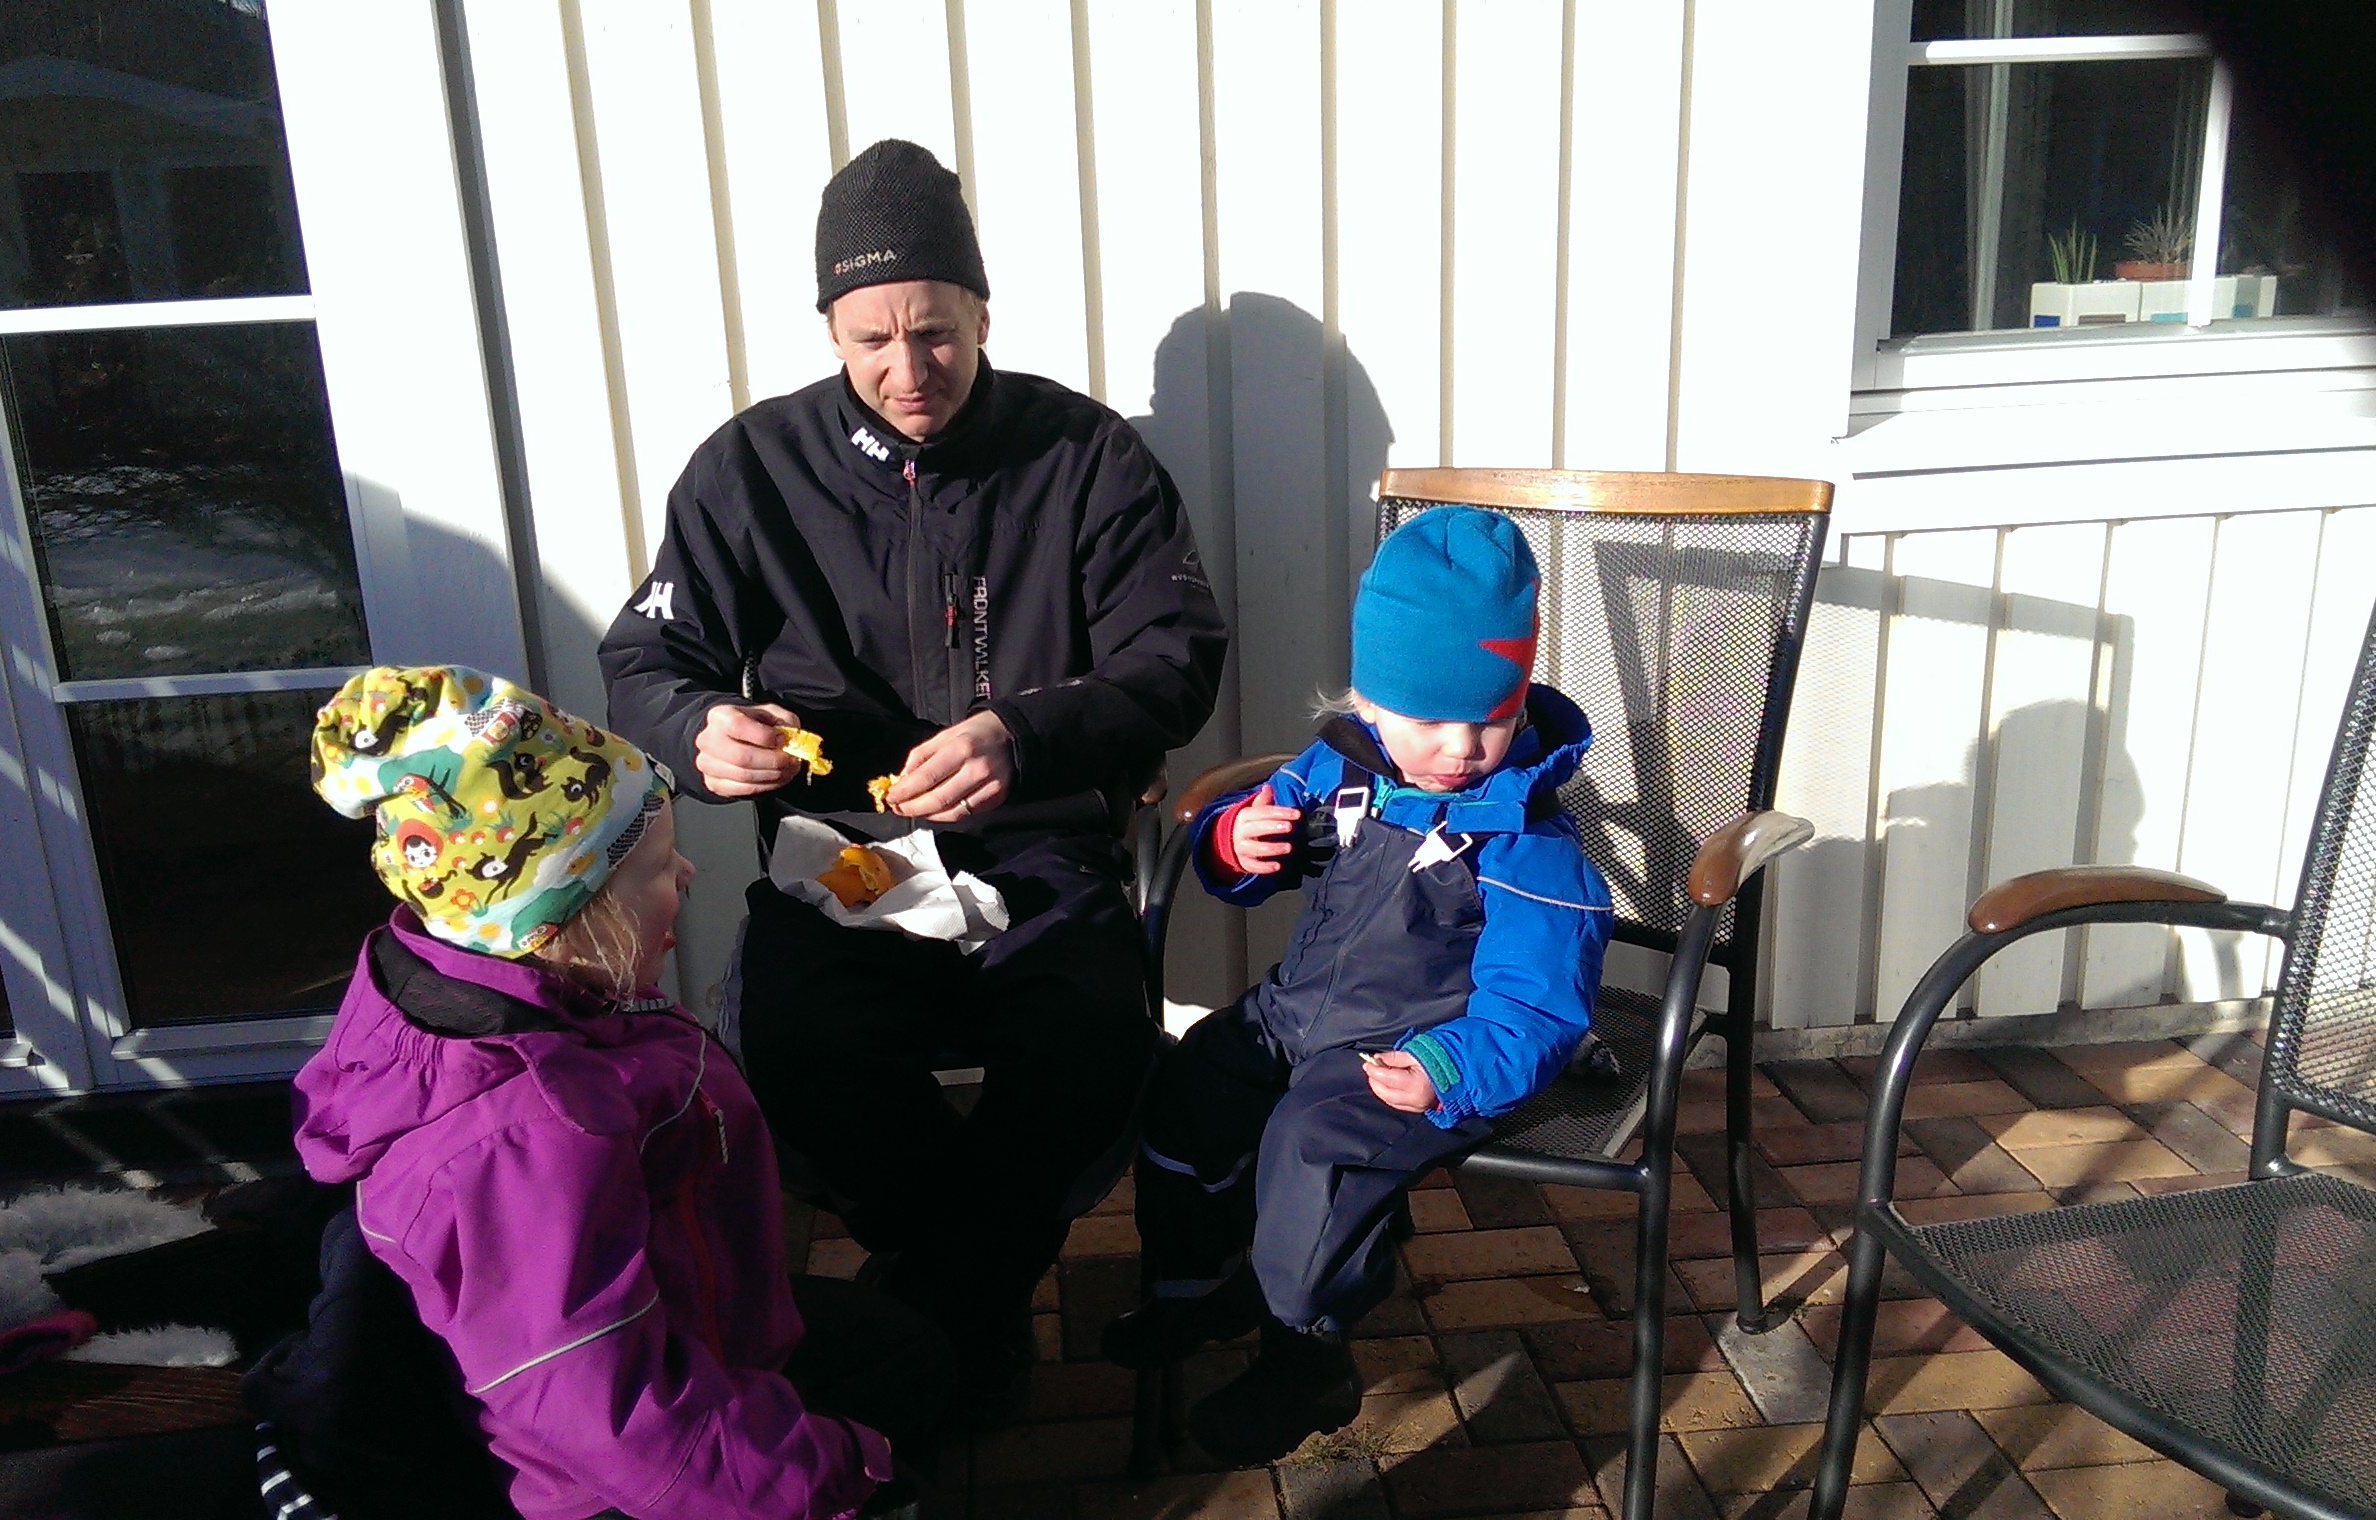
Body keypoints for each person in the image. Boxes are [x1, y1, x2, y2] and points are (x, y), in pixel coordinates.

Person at [597, 138, 1227, 1406]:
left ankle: (930, 1320)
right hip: (846, 857)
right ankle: (968, 1296)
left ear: (982, 312)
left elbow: (1177, 658)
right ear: (830, 329)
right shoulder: (750, 467)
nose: (907, 368)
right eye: (871, 338)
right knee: (794, 1044)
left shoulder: (1085, 454)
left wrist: (1023, 735)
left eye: (934, 331)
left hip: (1041, 849)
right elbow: (648, 657)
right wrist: (698, 728)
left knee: (1094, 1042)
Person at [284, 664, 953, 1520]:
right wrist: (838, 1472)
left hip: (691, 1324)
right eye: (660, 867)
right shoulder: (525, 1137)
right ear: (565, 916)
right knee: (884, 1445)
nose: (688, 875)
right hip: (612, 1481)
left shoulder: (548, 992)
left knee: (911, 1359)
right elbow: (614, 1415)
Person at [1099, 508, 1616, 1464]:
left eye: (1491, 720)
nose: (1462, 747)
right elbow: (1257, 838)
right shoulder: (1343, 768)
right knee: (1190, 1087)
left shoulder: (1527, 843)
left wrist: (1450, 1067)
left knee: (1315, 1145)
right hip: (1298, 1012)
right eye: (1432, 720)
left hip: (1416, 1048)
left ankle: (1307, 1358)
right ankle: (1200, 1287)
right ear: (1371, 705)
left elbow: (1539, 1000)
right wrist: (1236, 841)